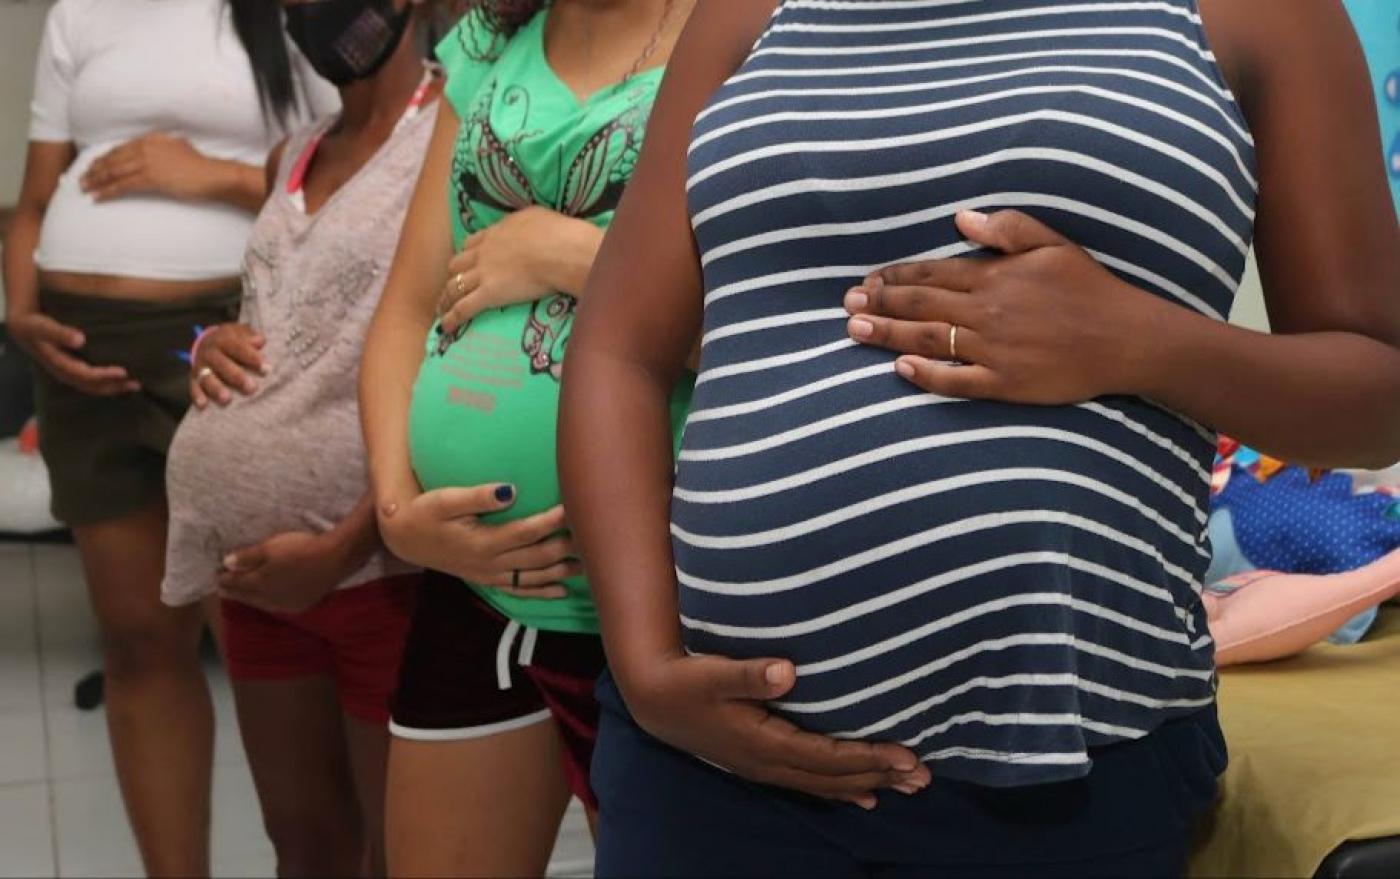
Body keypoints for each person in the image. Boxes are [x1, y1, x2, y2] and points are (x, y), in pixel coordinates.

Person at [558, 0, 1400, 876]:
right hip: (714, 778)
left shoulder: (1259, 14)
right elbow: (617, 347)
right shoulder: (748, 13)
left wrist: (1139, 342)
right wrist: (646, 662)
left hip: (1062, 796)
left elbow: (1380, 388)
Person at [358, 0, 693, 873]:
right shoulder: (489, 37)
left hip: (663, 602)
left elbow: (781, 323)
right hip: (476, 592)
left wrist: (571, 255)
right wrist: (398, 508)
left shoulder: (747, 29)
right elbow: (403, 310)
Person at [1, 0, 330, 872]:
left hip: (227, 340)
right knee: (138, 638)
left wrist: (208, 175)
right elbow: (36, 199)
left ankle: (317, 856)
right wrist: (23, 312)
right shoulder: (80, 10)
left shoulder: (293, 12)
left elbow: (362, 175)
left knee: (262, 644)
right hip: (81, 349)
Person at [159, 0, 439, 874]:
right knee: (302, 842)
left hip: (377, 573)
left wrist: (346, 543)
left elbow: (448, 365)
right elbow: (283, 319)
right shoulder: (297, 150)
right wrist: (202, 345)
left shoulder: (451, 137)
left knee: (395, 851)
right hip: (254, 585)